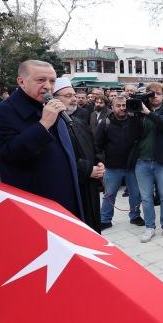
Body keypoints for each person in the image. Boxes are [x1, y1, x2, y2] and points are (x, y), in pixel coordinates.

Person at [0, 60, 83, 218]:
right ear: (21, 81)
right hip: (36, 204)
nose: (48, 86)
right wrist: (43, 125)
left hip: (68, 197)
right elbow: (5, 155)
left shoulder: (51, 107)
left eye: (52, 81)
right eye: (40, 80)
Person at [53, 78, 105, 233]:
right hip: (71, 187)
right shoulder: (50, 124)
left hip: (90, 185)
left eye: (74, 95)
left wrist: (99, 162)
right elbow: (58, 159)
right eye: (68, 96)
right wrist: (88, 169)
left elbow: (93, 146)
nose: (74, 99)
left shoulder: (77, 121)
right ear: (54, 99)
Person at [135, 82, 163, 242]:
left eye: (158, 93)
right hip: (142, 161)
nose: (154, 96)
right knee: (146, 198)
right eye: (151, 93)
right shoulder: (139, 110)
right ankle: (149, 227)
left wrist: (148, 113)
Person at [94, 95, 144, 230]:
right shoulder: (105, 123)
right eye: (118, 106)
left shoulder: (135, 121)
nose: (122, 108)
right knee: (109, 194)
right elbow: (97, 145)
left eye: (124, 106)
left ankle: (135, 216)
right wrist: (100, 161)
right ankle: (105, 219)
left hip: (132, 166)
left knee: (135, 194)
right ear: (112, 107)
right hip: (112, 167)